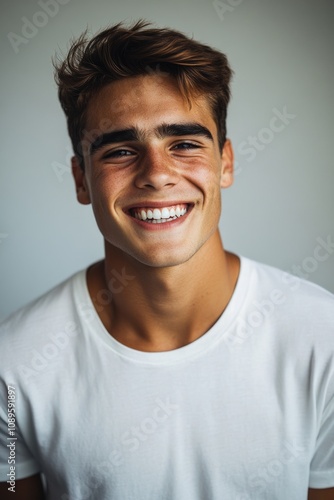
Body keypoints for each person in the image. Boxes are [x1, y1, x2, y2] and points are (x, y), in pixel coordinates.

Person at [0, 20, 333, 500]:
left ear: (226, 163)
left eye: (184, 144)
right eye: (119, 150)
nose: (157, 175)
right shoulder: (13, 366)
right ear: (80, 180)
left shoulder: (323, 339)